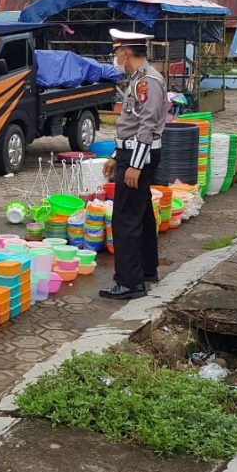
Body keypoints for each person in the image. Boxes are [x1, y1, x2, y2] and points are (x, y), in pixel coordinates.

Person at [99, 30, 167, 301]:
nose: (115, 58)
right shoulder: (140, 79)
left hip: (141, 156)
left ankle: (129, 283)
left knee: (125, 219)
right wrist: (117, 156)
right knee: (143, 214)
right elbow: (130, 125)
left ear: (125, 52)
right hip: (133, 154)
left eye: (116, 52)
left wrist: (135, 165)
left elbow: (147, 126)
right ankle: (147, 270)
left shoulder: (147, 81)